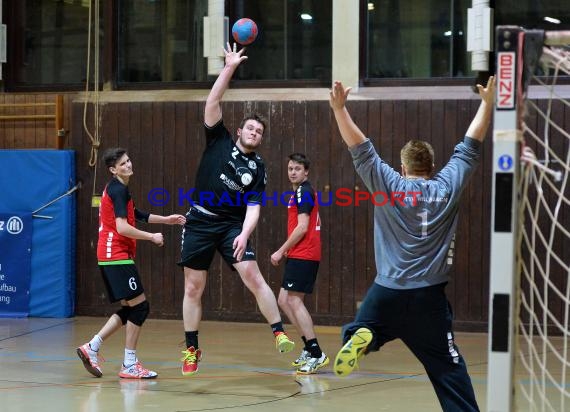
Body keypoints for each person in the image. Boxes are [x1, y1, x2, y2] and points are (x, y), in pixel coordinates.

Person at [328, 75, 495, 412]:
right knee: (448, 370)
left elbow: (361, 149)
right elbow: (469, 145)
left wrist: (340, 109)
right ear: (432, 167)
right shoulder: (447, 185)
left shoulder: (388, 183)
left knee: (369, 325)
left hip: (386, 290)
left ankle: (363, 335)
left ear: (402, 168)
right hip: (428, 297)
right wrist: (487, 104)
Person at [177, 42, 294, 376]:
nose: (254, 133)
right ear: (240, 130)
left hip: (231, 225)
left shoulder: (258, 169)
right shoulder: (219, 140)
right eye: (251, 128)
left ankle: (279, 332)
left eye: (260, 132)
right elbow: (212, 101)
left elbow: (254, 207)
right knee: (192, 288)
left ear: (260, 140)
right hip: (199, 220)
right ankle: (191, 349)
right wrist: (229, 67)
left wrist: (244, 233)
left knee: (253, 275)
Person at [76, 147, 186, 379]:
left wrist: (165, 220)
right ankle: (128, 363)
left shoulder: (120, 190)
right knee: (141, 307)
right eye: (122, 164)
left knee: (131, 308)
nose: (128, 165)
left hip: (111, 256)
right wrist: (151, 237)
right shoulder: (117, 190)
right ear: (113, 169)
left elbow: (135, 214)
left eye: (128, 160)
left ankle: (92, 347)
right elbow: (122, 227)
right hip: (115, 255)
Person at [271, 153, 328, 374]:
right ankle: (308, 346)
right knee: (284, 300)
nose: (293, 172)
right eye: (290, 168)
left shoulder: (304, 191)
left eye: (297, 168)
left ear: (306, 172)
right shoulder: (298, 192)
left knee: (294, 301)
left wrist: (281, 250)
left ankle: (316, 353)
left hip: (304, 254)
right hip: (299, 254)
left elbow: (303, 227)